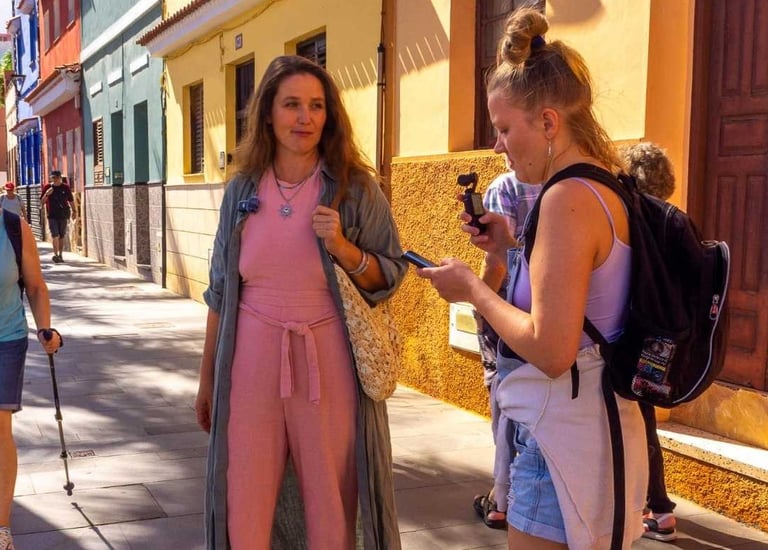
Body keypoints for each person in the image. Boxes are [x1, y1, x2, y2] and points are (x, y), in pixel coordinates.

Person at [415, 8, 647, 549]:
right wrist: (509, 250)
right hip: (595, 432)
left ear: (547, 123)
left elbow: (552, 349)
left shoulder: (566, 199)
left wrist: (472, 289)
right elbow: (582, 297)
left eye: (503, 129)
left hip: (559, 441)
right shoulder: (604, 183)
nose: (497, 146)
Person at [194, 55, 407, 549]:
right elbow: (220, 290)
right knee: (244, 495)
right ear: (268, 113)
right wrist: (207, 380)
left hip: (327, 360)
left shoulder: (354, 188)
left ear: (329, 115)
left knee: (332, 496)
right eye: (292, 104)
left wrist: (344, 249)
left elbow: (391, 273)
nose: (305, 117)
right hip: (250, 360)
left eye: (316, 106)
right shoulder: (242, 189)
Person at [472, 159, 539, 529]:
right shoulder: (571, 186)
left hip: (508, 312)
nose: (499, 145)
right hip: (546, 313)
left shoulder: (506, 187)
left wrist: (480, 300)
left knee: (504, 395)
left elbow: (496, 261)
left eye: (504, 132)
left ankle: (501, 497)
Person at [620, 141, 677, 542]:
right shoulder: (674, 221)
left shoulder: (635, 221)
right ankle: (660, 509)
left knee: (632, 420)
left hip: (634, 336)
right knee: (646, 418)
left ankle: (646, 506)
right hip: (665, 340)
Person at [1, 210, 62, 550]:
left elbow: (36, 286)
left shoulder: (12, 227)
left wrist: (44, 328)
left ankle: (1, 529)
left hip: (5, 339)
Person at [41, 170, 74, 264]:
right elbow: (42, 201)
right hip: (52, 215)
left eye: (57, 177)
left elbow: (71, 200)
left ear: (60, 178)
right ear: (51, 178)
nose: (55, 179)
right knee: (55, 235)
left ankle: (60, 254)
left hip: (63, 215)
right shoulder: (47, 187)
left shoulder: (65, 187)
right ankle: (55, 255)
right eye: (53, 178)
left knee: (61, 236)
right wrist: (47, 194)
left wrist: (74, 211)